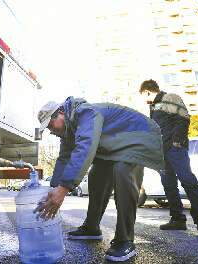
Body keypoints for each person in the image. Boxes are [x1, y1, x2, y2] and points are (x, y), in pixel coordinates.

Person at [36, 96, 164, 262]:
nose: (51, 131)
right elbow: (64, 159)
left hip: (138, 135)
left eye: (51, 125)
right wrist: (53, 190)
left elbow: (85, 147)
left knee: (123, 169)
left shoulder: (86, 113)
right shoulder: (67, 131)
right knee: (96, 173)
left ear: (60, 112)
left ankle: (125, 239)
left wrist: (64, 188)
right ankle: (91, 227)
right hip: (116, 145)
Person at [139, 79, 198, 240]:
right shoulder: (154, 107)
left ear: (147, 91)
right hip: (163, 152)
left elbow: (183, 118)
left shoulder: (170, 97)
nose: (144, 100)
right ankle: (177, 219)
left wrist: (177, 142)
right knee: (169, 185)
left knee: (188, 182)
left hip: (175, 149)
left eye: (143, 96)